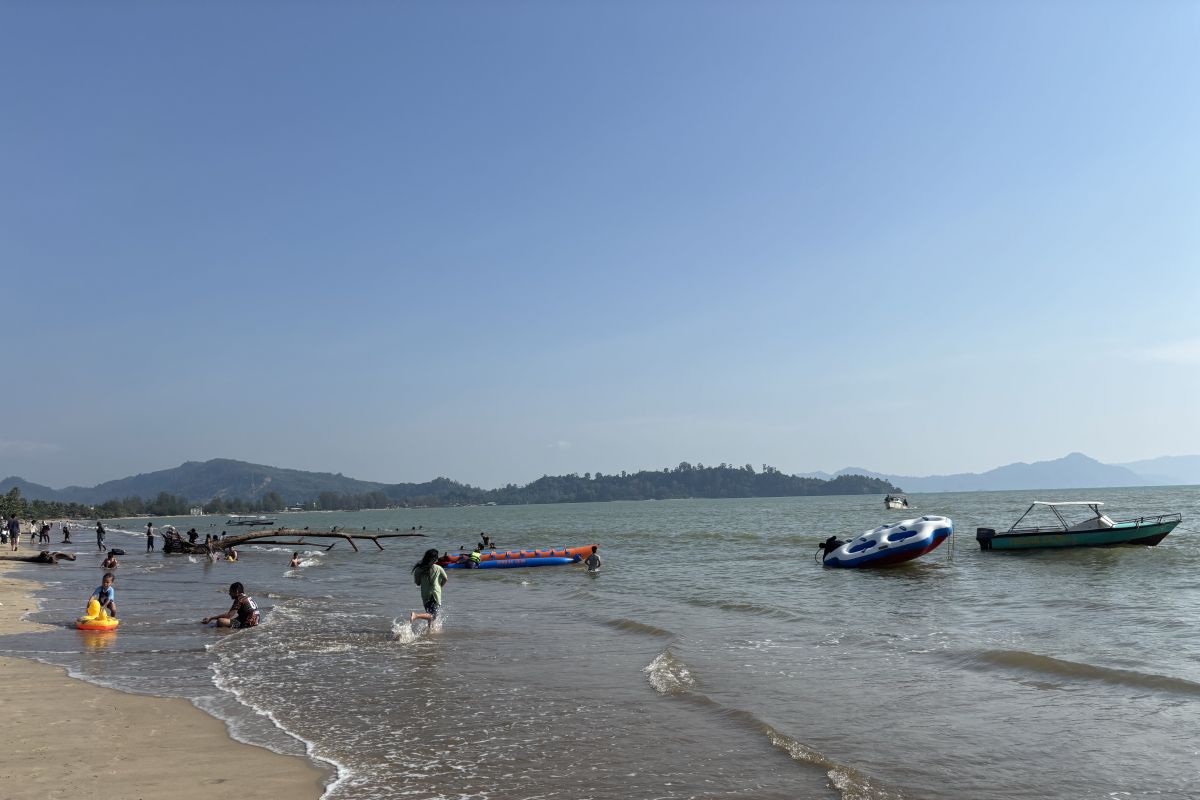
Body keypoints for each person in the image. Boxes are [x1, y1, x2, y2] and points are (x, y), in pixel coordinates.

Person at [409, 548, 448, 629]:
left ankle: (430, 630)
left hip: (425, 594)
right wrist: (440, 586)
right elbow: (445, 579)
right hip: (435, 594)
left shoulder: (419, 569)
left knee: (429, 614)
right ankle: (416, 615)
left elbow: (418, 583)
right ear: (435, 558)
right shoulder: (438, 568)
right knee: (433, 615)